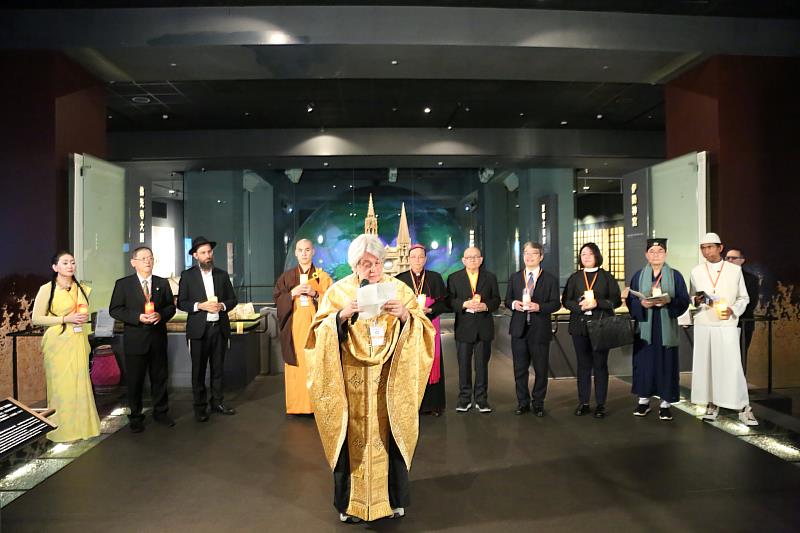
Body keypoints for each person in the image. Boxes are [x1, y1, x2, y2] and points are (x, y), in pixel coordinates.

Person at [305, 234, 434, 523]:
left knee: (390, 439)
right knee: (350, 441)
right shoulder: (338, 292)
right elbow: (316, 335)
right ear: (354, 265)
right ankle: (349, 504)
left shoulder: (399, 290)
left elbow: (424, 330)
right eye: (365, 263)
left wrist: (405, 316)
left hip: (388, 382)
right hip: (349, 386)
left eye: (376, 263)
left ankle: (393, 500)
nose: (372, 268)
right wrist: (341, 316)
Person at [31, 251, 101, 442]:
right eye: (65, 263)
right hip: (58, 342)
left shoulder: (81, 288)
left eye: (72, 262)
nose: (70, 266)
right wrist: (64, 318)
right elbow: (36, 318)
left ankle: (83, 427)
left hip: (78, 339)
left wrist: (80, 318)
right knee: (62, 386)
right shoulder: (47, 289)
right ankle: (63, 429)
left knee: (81, 384)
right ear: (55, 267)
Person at [690, 232, 758, 426]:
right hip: (704, 324)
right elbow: (692, 297)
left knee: (732, 366)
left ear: (720, 248)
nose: (707, 251)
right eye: (703, 248)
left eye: (710, 247)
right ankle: (712, 404)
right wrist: (696, 300)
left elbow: (744, 298)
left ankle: (743, 407)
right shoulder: (696, 271)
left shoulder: (734, 271)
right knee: (707, 367)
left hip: (726, 324)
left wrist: (733, 310)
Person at [109, 246, 177, 433]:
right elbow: (115, 309)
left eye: (150, 258)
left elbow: (171, 307)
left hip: (157, 339)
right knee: (135, 380)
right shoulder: (123, 284)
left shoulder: (162, 283)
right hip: (135, 339)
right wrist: (137, 317)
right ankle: (136, 416)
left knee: (160, 378)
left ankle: (161, 412)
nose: (148, 261)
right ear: (133, 262)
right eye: (143, 258)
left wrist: (160, 315)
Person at [625, 238, 690, 421]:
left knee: (666, 364)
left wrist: (669, 302)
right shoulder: (638, 276)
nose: (656, 255)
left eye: (660, 251)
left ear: (666, 254)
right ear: (646, 255)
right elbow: (631, 300)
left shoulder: (675, 276)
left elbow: (683, 300)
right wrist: (641, 304)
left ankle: (665, 404)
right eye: (652, 252)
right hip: (645, 328)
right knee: (644, 365)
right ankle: (643, 401)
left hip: (665, 327)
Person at [177, 236, 238, 422]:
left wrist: (222, 306)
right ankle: (200, 407)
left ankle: (217, 402)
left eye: (209, 252)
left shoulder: (221, 275)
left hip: (219, 328)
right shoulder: (188, 276)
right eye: (203, 253)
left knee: (218, 369)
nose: (207, 255)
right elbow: (181, 302)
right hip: (198, 330)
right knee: (198, 371)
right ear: (196, 256)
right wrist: (200, 306)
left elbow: (233, 300)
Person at [562, 242, 622, 419]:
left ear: (597, 256)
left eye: (590, 254)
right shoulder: (575, 277)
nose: (586, 257)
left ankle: (601, 404)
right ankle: (584, 402)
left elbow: (616, 300)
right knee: (583, 365)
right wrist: (579, 306)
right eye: (583, 254)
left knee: (600, 365)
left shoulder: (606, 277)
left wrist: (597, 303)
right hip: (579, 326)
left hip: (601, 326)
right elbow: (566, 301)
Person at [274, 238, 333, 415]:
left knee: (315, 364)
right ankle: (297, 406)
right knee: (298, 365)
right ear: (296, 253)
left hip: (316, 328)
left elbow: (331, 302)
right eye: (300, 250)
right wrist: (292, 293)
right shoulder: (286, 277)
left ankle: (316, 406)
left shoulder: (322, 276)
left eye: (307, 250)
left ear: (313, 252)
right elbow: (278, 300)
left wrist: (315, 293)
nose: (304, 253)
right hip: (295, 328)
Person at [504, 242, 561, 416]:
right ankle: (523, 402)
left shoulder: (550, 279)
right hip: (519, 330)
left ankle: (538, 403)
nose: (529, 257)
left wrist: (539, 307)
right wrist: (514, 304)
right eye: (526, 253)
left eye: (533, 253)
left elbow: (556, 304)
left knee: (541, 369)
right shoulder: (515, 277)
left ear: (541, 256)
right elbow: (507, 300)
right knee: (519, 369)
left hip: (540, 329)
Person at [395, 244, 450, 416]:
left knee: (431, 362)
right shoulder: (400, 279)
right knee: (410, 364)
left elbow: (444, 303)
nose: (417, 260)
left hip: (429, 325)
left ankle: (432, 405)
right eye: (414, 257)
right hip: (408, 327)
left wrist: (430, 309)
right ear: (408, 259)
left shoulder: (435, 278)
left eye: (420, 257)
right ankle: (411, 405)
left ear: (425, 259)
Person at [447, 246, 501, 413]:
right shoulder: (454, 278)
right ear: (463, 260)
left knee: (482, 366)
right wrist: (464, 304)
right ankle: (464, 399)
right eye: (469, 257)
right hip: (464, 328)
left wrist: (486, 306)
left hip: (484, 327)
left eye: (476, 257)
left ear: (481, 259)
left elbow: (496, 300)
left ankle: (481, 399)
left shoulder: (490, 277)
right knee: (463, 366)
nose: (472, 260)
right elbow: (449, 301)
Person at [724, 246, 759, 358]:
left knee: (740, 356)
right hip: (723, 323)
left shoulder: (751, 279)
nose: (730, 260)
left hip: (743, 323)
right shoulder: (720, 278)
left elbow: (751, 303)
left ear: (742, 260)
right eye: (727, 258)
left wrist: (734, 312)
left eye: (733, 258)